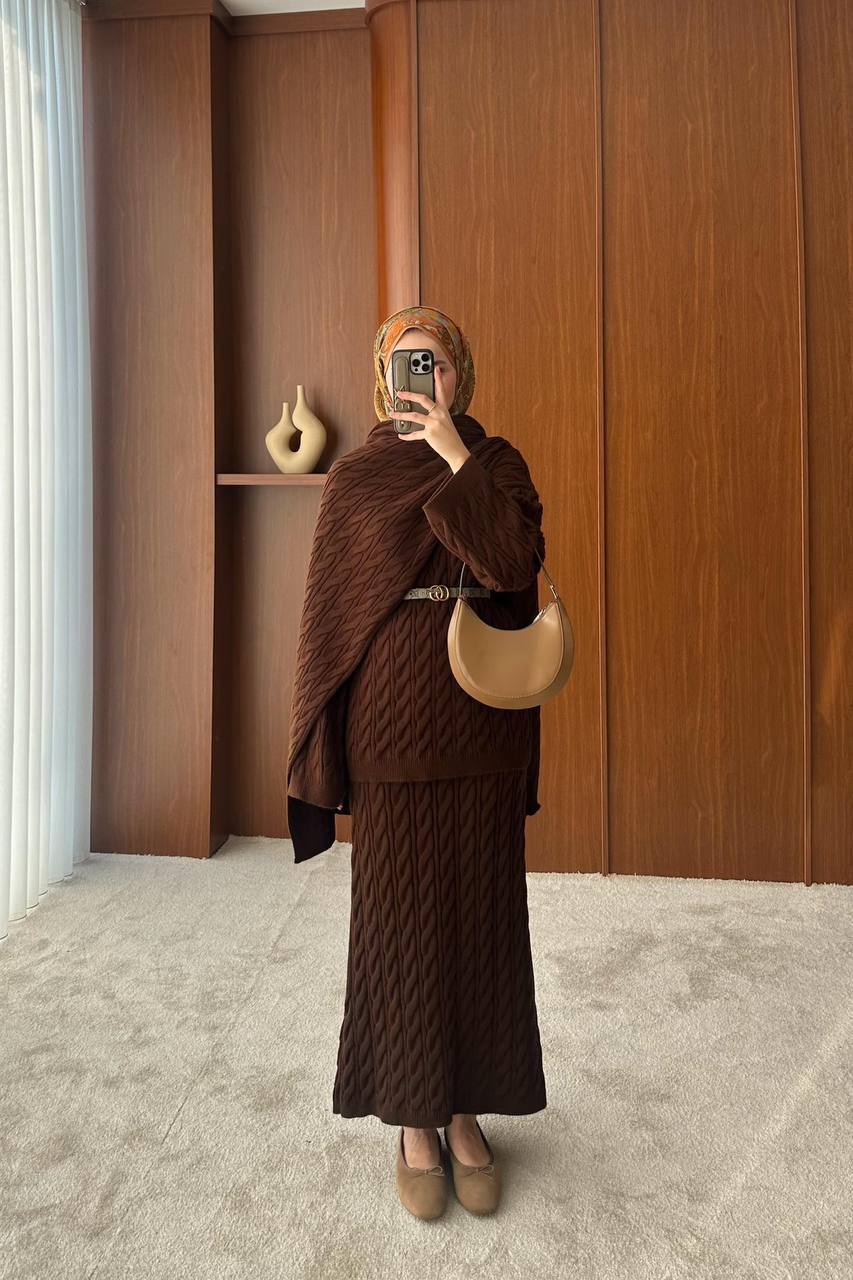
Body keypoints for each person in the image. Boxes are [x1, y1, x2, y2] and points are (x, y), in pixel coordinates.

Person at [286, 305, 547, 1219]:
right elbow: (329, 618)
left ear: (461, 373)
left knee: (479, 920)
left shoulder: (496, 463)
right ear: (381, 376)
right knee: (397, 923)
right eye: (406, 363)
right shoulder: (355, 479)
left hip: (481, 723)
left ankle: (466, 1113)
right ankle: (411, 1121)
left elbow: (511, 565)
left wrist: (453, 456)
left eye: (434, 362)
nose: (422, 377)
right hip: (389, 729)